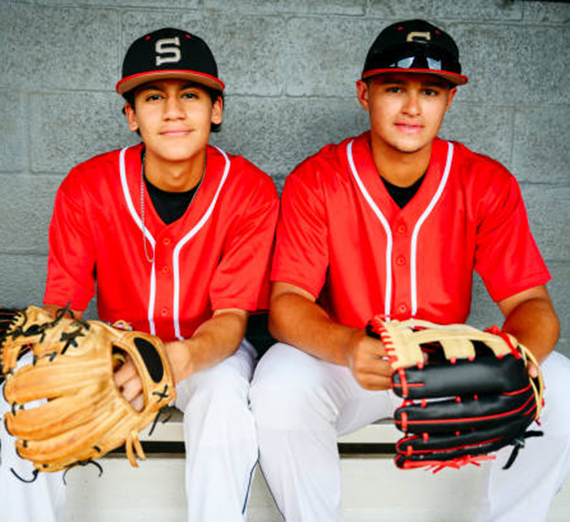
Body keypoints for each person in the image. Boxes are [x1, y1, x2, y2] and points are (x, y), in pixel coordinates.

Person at [250, 19, 570, 522]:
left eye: (431, 90)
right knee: (278, 381)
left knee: (561, 382)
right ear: (364, 93)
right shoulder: (320, 178)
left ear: (449, 101)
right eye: (395, 88)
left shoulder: (484, 181)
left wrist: (515, 362)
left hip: (453, 367)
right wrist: (348, 346)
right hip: (351, 365)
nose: (412, 107)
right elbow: (287, 303)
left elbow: (532, 305)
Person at [0, 27, 279, 522]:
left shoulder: (250, 190)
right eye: (153, 97)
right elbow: (61, 307)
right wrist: (58, 359)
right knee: (26, 390)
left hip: (208, 352)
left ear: (217, 109)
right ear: (131, 115)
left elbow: (231, 319)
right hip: (115, 349)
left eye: (190, 95)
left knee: (224, 401)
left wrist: (175, 361)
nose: (173, 111)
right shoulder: (87, 186)